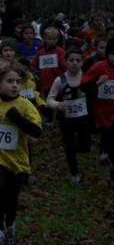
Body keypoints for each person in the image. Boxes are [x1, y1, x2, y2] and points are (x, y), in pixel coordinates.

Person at [0, 62, 42, 245]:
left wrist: (17, 118)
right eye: (10, 81)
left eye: (18, 81)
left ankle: (10, 225)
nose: (15, 85)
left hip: (19, 160)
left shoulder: (25, 105)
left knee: (12, 197)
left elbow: (36, 132)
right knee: (0, 188)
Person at [46, 48, 91, 183]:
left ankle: (80, 149)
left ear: (82, 62)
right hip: (66, 119)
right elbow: (49, 99)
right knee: (69, 145)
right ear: (65, 62)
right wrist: (56, 104)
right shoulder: (60, 80)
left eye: (78, 60)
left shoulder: (86, 77)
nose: (74, 63)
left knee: (85, 146)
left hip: (84, 118)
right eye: (71, 60)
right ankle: (74, 172)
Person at [80, 37, 114, 184]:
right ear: (108, 54)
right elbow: (83, 85)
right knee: (107, 134)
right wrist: (97, 82)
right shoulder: (99, 66)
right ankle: (104, 151)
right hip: (101, 112)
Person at [31, 27, 66, 126]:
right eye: (49, 39)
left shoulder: (60, 51)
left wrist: (65, 79)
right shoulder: (40, 52)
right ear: (44, 38)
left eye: (54, 39)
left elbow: (65, 66)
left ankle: (61, 117)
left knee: (60, 100)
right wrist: (35, 72)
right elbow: (33, 65)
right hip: (46, 83)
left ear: (57, 40)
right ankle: (50, 120)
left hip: (59, 82)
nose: (51, 41)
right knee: (48, 102)